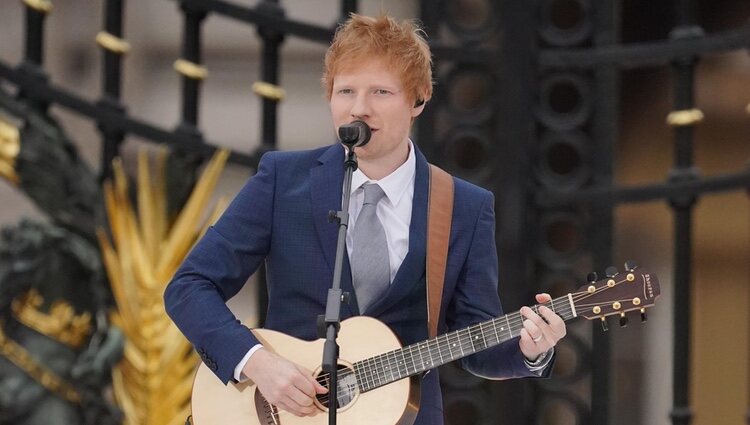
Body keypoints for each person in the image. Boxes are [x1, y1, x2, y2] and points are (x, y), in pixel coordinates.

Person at [164, 13, 567, 425]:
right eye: (346, 91)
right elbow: (189, 287)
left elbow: (476, 341)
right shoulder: (281, 181)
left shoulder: (464, 206)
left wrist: (532, 350)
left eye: (380, 91)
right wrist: (257, 363)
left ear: (419, 99)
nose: (359, 108)